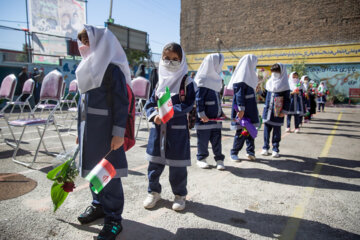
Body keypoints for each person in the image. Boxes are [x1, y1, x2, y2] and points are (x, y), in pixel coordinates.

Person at [75, 25, 132, 240]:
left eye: (88, 41)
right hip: (89, 131)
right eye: (82, 41)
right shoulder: (86, 67)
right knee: (92, 172)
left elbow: (121, 102)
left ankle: (114, 219)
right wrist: (79, 130)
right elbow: (81, 103)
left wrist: (118, 132)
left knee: (109, 174)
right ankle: (98, 205)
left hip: (107, 132)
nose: (84, 46)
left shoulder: (112, 69)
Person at [143, 42, 195, 211]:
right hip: (158, 131)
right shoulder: (159, 82)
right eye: (166, 58)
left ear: (181, 60)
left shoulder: (187, 82)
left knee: (178, 166)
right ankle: (153, 192)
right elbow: (150, 104)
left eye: (175, 59)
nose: (170, 62)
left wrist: (169, 112)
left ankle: (180, 195)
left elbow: (188, 104)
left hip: (177, 132)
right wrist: (153, 115)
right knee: (154, 164)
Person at [193, 53, 225, 170]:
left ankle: (219, 159)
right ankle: (201, 158)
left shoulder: (216, 79)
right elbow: (199, 99)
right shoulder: (202, 78)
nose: (220, 66)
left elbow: (217, 99)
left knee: (217, 140)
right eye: (219, 63)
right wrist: (201, 114)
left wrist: (221, 112)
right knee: (203, 140)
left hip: (215, 118)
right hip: (205, 119)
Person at [227, 54, 260, 162]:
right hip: (243, 111)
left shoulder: (250, 76)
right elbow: (239, 95)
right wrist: (241, 110)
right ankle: (234, 153)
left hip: (251, 109)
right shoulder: (241, 78)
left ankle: (250, 152)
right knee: (241, 133)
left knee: (251, 131)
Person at [261, 63, 290, 158]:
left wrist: (284, 111)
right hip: (267, 111)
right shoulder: (269, 82)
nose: (274, 74)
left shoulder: (285, 85)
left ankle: (275, 148)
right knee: (266, 130)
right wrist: (260, 90)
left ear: (281, 72)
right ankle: (265, 147)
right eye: (273, 72)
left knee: (276, 131)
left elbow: (287, 100)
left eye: (277, 72)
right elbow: (264, 95)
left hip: (278, 112)